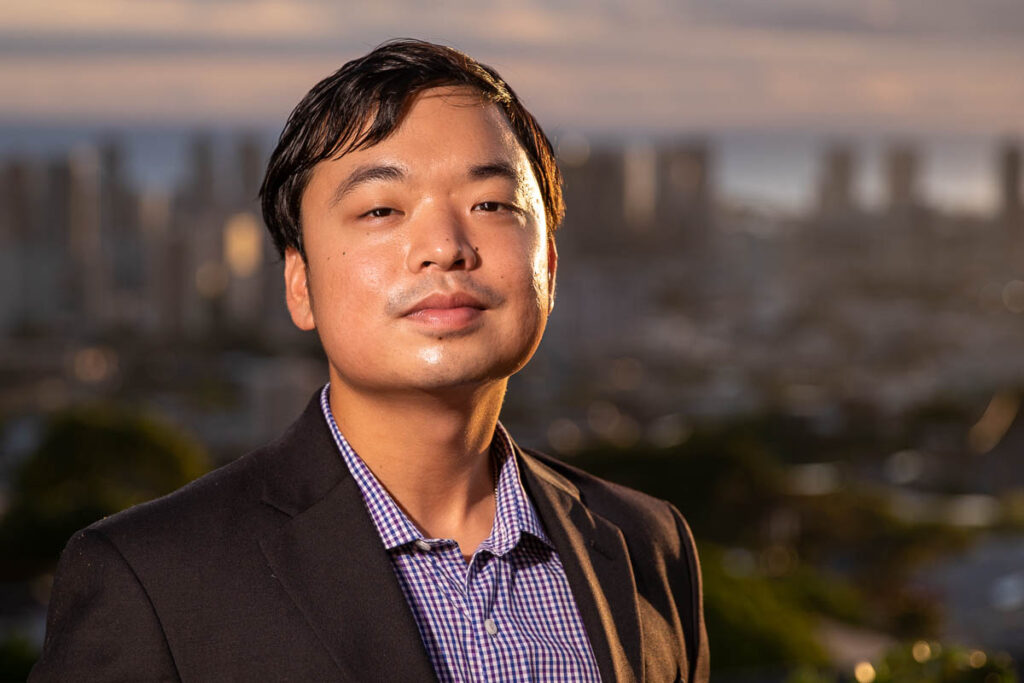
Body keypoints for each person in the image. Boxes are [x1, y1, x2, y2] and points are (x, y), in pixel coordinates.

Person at [31, 39, 709, 682]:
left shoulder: (646, 545)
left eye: (491, 203)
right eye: (382, 208)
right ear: (299, 284)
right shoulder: (154, 577)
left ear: (549, 268)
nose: (443, 246)